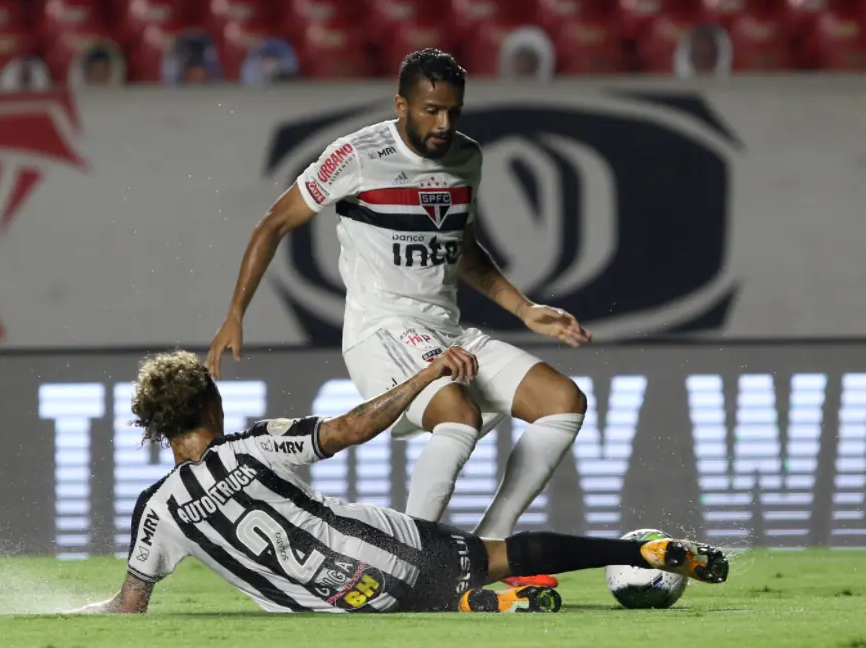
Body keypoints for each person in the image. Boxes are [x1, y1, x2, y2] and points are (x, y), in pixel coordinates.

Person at [206, 48, 592, 589]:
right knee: (458, 413)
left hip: (448, 330)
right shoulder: (356, 156)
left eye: (454, 111)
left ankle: (486, 553)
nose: (444, 123)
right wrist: (235, 314)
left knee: (563, 403)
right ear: (401, 105)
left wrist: (524, 309)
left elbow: (462, 247)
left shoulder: (466, 157)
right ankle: (413, 566)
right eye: (432, 110)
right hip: (379, 332)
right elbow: (272, 224)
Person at [69, 348, 729, 615]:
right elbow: (353, 427)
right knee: (500, 556)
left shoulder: (157, 510)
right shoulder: (253, 444)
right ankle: (627, 553)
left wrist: (75, 613)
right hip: (387, 548)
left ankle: (483, 607)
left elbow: (130, 606)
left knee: (413, 600)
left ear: (157, 428)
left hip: (333, 610)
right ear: (211, 405)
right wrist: (425, 375)